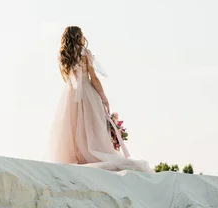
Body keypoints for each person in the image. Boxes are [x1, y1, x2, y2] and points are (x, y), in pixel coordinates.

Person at [46, 26, 153, 172]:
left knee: (72, 125)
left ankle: (77, 156)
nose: (84, 37)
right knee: (90, 124)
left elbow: (65, 78)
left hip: (70, 94)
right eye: (82, 34)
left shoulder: (62, 55)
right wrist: (104, 98)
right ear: (78, 36)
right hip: (87, 93)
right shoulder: (85, 53)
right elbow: (94, 78)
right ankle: (91, 154)